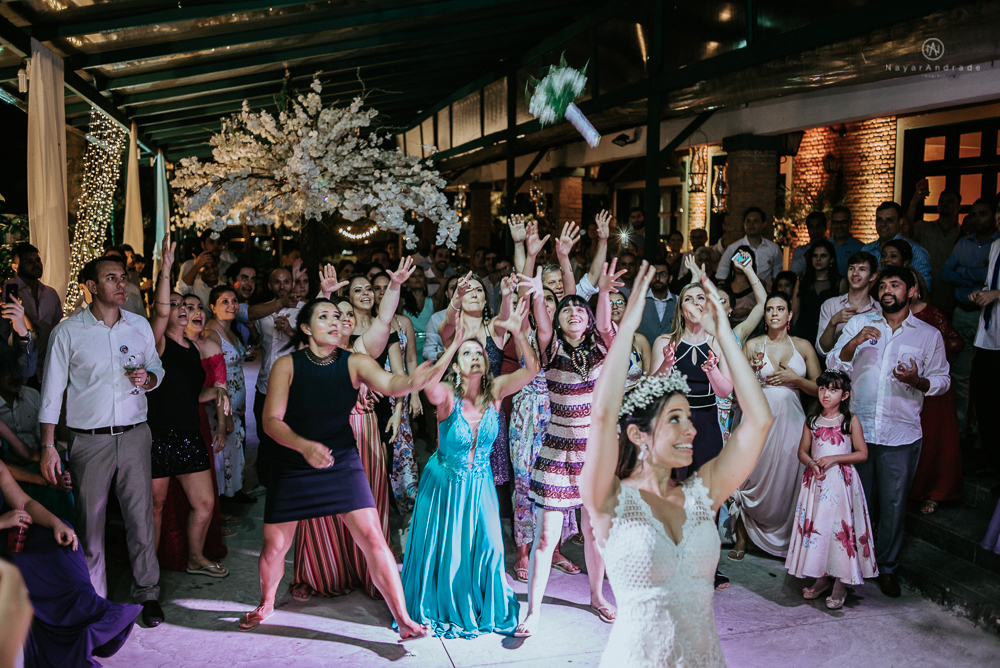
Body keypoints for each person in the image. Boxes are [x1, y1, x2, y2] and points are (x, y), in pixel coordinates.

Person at [581, 264, 773, 667]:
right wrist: (628, 321)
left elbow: (759, 421)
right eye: (674, 419)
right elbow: (602, 414)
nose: (689, 429)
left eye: (688, 417)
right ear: (639, 435)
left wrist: (724, 333)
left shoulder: (702, 491)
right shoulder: (608, 498)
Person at [242, 297, 439, 639]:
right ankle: (267, 602)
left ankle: (404, 618)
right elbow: (271, 422)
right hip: (293, 461)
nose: (334, 322)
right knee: (275, 545)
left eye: (337, 316)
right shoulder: (287, 366)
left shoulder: (354, 362)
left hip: (342, 460)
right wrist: (304, 446)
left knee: (374, 538)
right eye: (324, 317)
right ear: (305, 328)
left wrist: (411, 382)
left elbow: (390, 384)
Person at [39, 256, 166, 626]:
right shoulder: (69, 332)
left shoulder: (138, 326)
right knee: (90, 525)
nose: (120, 284)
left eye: (122, 278)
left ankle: (148, 594)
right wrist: (48, 446)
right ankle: (96, 602)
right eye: (111, 278)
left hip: (134, 436)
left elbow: (158, 367)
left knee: (140, 520)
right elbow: (51, 392)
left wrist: (149, 379)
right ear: (91, 287)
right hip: (88, 442)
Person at [401, 300, 538, 638]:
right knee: (449, 558)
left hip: (482, 484)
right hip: (445, 484)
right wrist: (453, 345)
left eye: (479, 353)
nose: (475, 356)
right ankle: (446, 605)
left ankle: (486, 606)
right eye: (467, 354)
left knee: (492, 547)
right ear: (458, 364)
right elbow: (427, 385)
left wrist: (520, 334)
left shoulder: (496, 390)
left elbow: (532, 371)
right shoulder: (446, 394)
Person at [290, 260, 416, 601]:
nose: (341, 319)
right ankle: (326, 571)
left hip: (363, 432)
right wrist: (325, 294)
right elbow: (308, 324)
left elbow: (384, 320)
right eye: (332, 314)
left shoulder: (359, 353)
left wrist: (394, 286)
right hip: (323, 438)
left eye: (345, 315)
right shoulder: (309, 357)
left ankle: (369, 572)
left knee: (367, 503)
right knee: (322, 510)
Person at [828, 266, 951, 597]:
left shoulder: (927, 335)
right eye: (882, 285)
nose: (886, 291)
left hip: (901, 433)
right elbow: (831, 365)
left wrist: (917, 381)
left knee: (894, 505)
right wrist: (853, 343)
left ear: (910, 291)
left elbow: (942, 380)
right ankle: (850, 567)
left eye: (894, 285)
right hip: (859, 432)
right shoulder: (859, 324)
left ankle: (887, 568)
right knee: (855, 503)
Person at [515, 260, 622, 635]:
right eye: (566, 309)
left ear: (589, 319)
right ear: (558, 321)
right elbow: (541, 321)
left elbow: (608, 324)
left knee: (593, 532)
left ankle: (597, 597)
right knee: (546, 536)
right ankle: (533, 612)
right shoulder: (551, 346)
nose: (574, 312)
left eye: (581, 308)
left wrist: (605, 289)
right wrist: (539, 293)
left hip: (594, 453)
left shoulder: (604, 345)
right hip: (557, 451)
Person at [1, 460, 143, 667]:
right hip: (4, 529)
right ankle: (57, 646)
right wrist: (2, 521)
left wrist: (56, 523)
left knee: (61, 543)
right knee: (19, 566)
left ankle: (89, 610)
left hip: (10, 533)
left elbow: (26, 503)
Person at [148, 239, 230, 578]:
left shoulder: (193, 350)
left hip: (187, 433)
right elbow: (161, 311)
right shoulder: (158, 340)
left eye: (186, 305)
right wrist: (167, 270)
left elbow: (191, 394)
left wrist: (216, 392)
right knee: (155, 507)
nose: (182, 308)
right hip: (157, 435)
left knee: (205, 503)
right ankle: (148, 569)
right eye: (176, 303)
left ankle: (195, 557)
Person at [729, 292, 821, 560]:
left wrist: (796, 379)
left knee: (786, 479)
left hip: (791, 422)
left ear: (789, 315)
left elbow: (819, 388)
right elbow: (736, 390)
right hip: (757, 421)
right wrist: (753, 374)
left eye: (781, 309)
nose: (774, 313)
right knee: (750, 475)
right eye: (769, 309)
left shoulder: (803, 346)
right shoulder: (753, 345)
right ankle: (742, 540)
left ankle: (786, 541)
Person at [784, 369, 877, 609]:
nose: (826, 394)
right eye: (823, 389)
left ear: (844, 395)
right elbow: (802, 451)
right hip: (816, 483)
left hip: (840, 485)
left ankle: (840, 582)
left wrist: (835, 458)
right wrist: (812, 463)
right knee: (820, 528)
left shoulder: (849, 421)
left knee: (838, 529)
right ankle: (821, 577)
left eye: (833, 390)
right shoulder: (812, 420)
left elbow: (862, 453)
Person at [509, 285, 580, 582]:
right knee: (526, 482)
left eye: (550, 299)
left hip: (560, 412)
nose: (545, 304)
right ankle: (523, 550)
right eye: (541, 300)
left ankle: (555, 548)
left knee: (558, 481)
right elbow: (525, 296)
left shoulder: (570, 337)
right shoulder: (526, 330)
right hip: (529, 411)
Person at [904, 268, 963, 514]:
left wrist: (931, 361)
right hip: (904, 387)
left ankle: (934, 493)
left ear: (916, 288)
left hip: (930, 387)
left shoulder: (933, 313)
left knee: (934, 441)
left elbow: (956, 341)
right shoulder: (888, 317)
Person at [941, 196, 998, 441]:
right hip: (973, 317)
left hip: (991, 320)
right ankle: (966, 433)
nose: (977, 219)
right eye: (973, 214)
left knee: (988, 382)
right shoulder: (976, 244)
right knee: (966, 378)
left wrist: (994, 292)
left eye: (983, 213)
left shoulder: (995, 242)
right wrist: (978, 285)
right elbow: (946, 272)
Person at [252, 267, 300, 482]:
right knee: (265, 434)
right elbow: (256, 338)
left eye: (286, 281)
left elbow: (311, 346)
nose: (282, 286)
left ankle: (290, 478)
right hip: (264, 382)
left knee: (291, 433)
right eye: (277, 282)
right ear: (270, 285)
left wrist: (291, 331)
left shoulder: (304, 310)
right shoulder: (263, 312)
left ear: (293, 283)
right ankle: (265, 481)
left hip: (292, 386)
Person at [202, 286, 249, 501]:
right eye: (224, 301)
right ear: (212, 307)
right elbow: (213, 377)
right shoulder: (211, 333)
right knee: (221, 459)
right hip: (220, 409)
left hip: (235, 407)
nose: (231, 305)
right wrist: (226, 415)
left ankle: (230, 499)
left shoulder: (231, 329)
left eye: (234, 301)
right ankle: (220, 507)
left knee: (232, 455)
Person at [4, 243, 60, 381]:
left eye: (37, 260)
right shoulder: (8, 290)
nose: (36, 264)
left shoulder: (50, 293)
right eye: (29, 261)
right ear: (15, 266)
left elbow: (58, 326)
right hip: (17, 369)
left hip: (46, 368)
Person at [816, 252, 880, 358]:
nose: (855, 273)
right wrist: (833, 322)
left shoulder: (879, 310)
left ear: (872, 276)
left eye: (862, 269)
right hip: (837, 370)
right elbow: (822, 351)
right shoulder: (830, 305)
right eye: (851, 268)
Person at [860, 201, 933, 288]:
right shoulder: (867, 250)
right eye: (879, 220)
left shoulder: (916, 251)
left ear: (900, 222)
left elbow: (923, 290)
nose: (883, 224)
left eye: (889, 220)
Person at [911, 185, 962, 311]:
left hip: (951, 300)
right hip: (924, 298)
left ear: (958, 207)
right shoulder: (923, 228)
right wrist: (914, 202)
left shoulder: (964, 235)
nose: (944, 204)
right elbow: (904, 231)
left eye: (949, 201)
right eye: (941, 201)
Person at [792, 239, 843, 346]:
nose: (818, 259)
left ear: (831, 259)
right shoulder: (801, 281)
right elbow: (795, 312)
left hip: (828, 335)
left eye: (823, 256)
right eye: (815, 256)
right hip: (803, 334)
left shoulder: (840, 282)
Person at [717, 207, 782, 289]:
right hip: (739, 298)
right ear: (744, 224)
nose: (751, 224)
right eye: (748, 221)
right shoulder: (733, 249)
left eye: (755, 221)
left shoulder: (773, 249)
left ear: (764, 224)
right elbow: (721, 276)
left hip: (765, 296)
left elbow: (777, 277)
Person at [635, 260, 677, 345]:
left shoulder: (678, 300)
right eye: (654, 274)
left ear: (670, 278)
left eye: (663, 274)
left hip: (672, 354)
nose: (657, 278)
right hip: (644, 354)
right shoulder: (638, 300)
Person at [827, 206, 865, 277]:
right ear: (831, 224)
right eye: (835, 222)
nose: (839, 226)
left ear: (850, 223)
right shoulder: (824, 246)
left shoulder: (861, 248)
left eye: (843, 222)